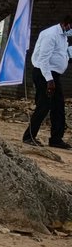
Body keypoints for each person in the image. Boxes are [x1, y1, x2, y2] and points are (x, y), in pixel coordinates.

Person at [24, 17, 72, 149]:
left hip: (54, 75)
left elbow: (63, 53)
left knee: (58, 107)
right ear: (65, 24)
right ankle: (29, 136)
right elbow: (43, 59)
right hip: (44, 74)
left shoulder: (63, 36)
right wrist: (49, 81)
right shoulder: (51, 35)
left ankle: (56, 139)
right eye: (71, 28)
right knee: (44, 106)